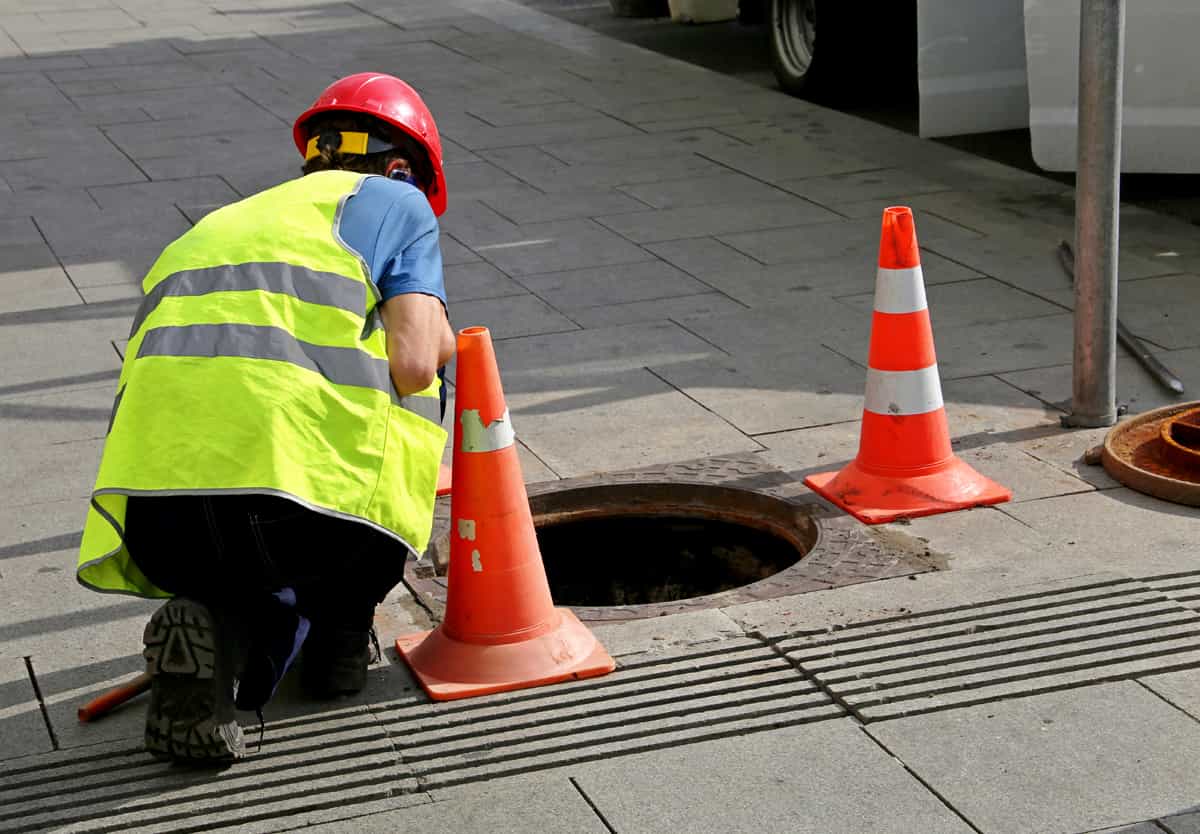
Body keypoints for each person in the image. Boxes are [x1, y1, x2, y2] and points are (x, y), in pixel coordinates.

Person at [75, 73, 455, 763]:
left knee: (233, 575)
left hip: (157, 519)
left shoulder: (219, 223)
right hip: (295, 516)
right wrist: (442, 331)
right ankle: (341, 638)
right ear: (403, 168)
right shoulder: (396, 202)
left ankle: (216, 643)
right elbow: (413, 363)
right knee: (431, 388)